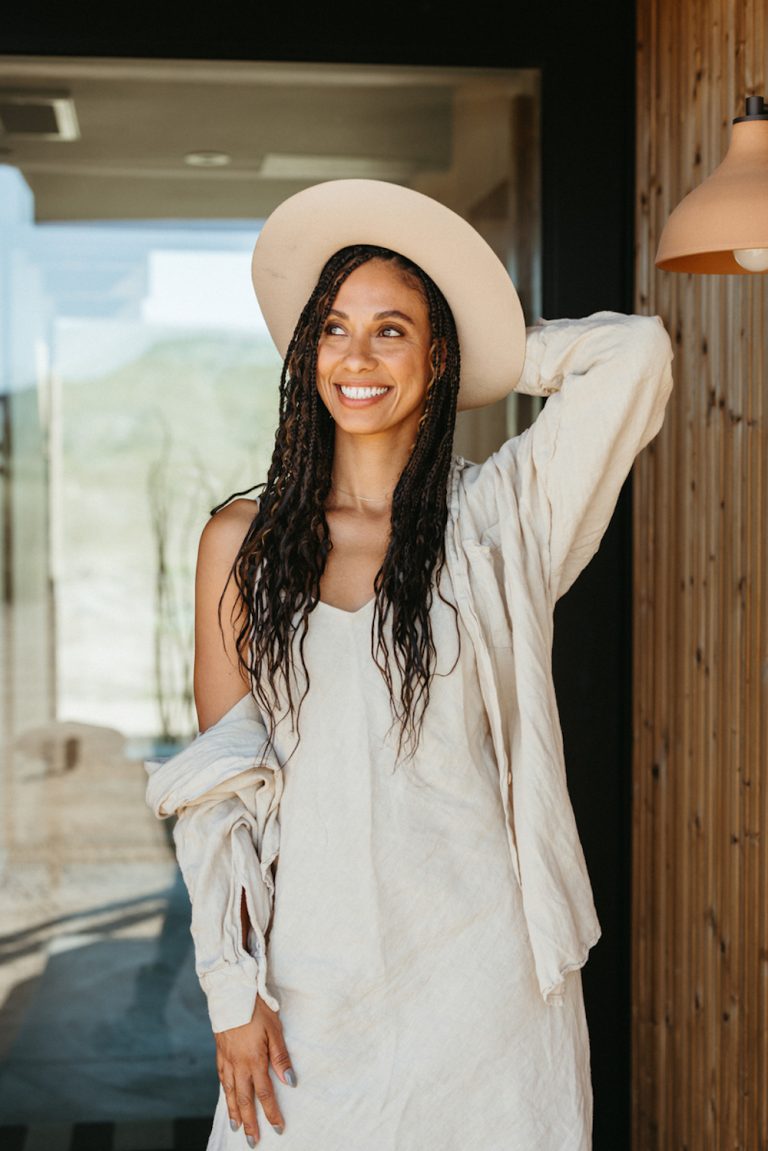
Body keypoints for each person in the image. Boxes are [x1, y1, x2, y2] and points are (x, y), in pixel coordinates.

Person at [145, 178, 674, 1150]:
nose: (357, 355)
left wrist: (493, 341)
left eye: (394, 330)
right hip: (310, 986)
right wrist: (231, 987)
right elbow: (219, 787)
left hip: (487, 986)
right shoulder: (242, 541)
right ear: (306, 351)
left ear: (439, 356)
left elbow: (632, 355)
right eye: (336, 327)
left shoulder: (502, 519)